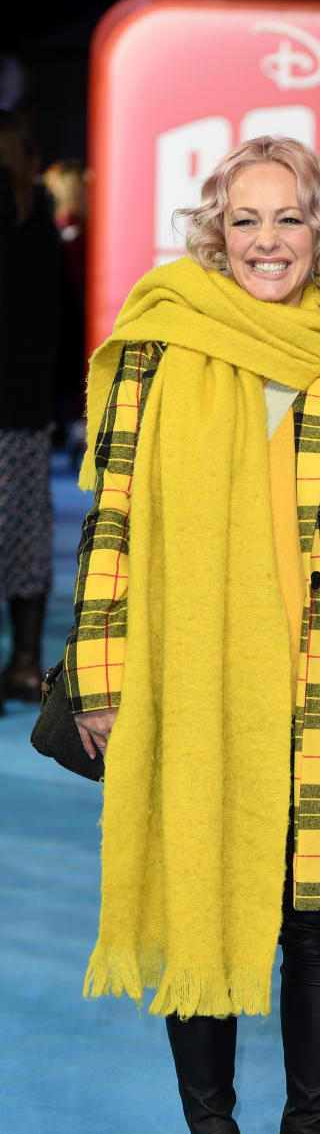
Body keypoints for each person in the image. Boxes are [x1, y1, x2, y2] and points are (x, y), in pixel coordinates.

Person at [65, 136, 320, 1134]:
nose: (269, 241)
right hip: (189, 682)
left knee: (314, 926)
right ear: (212, 232)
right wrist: (99, 674)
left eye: (291, 218)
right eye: (246, 219)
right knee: (201, 910)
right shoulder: (156, 342)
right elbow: (114, 518)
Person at [0, 110, 77, 711]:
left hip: (20, 400)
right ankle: (24, 664)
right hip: (22, 407)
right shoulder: (37, 223)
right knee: (23, 537)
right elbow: (61, 318)